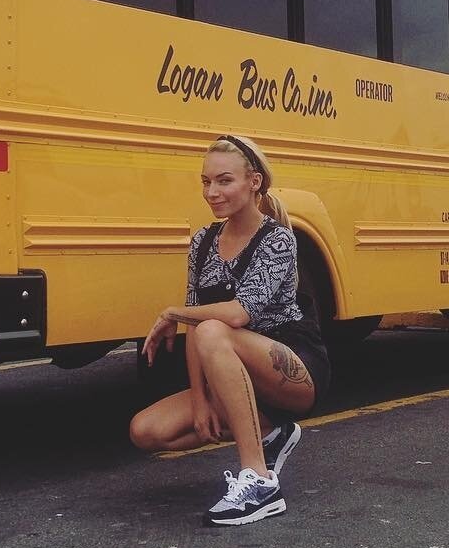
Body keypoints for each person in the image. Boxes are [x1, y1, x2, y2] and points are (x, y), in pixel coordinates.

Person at [129, 135, 330, 526]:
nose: (212, 192)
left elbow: (239, 313)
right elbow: (195, 323)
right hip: (236, 374)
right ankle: (271, 433)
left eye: (224, 181)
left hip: (293, 369)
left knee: (212, 329)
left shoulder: (277, 239)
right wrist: (200, 399)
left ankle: (260, 482)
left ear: (254, 182)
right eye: (206, 182)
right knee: (146, 431)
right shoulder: (203, 242)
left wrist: (174, 313)